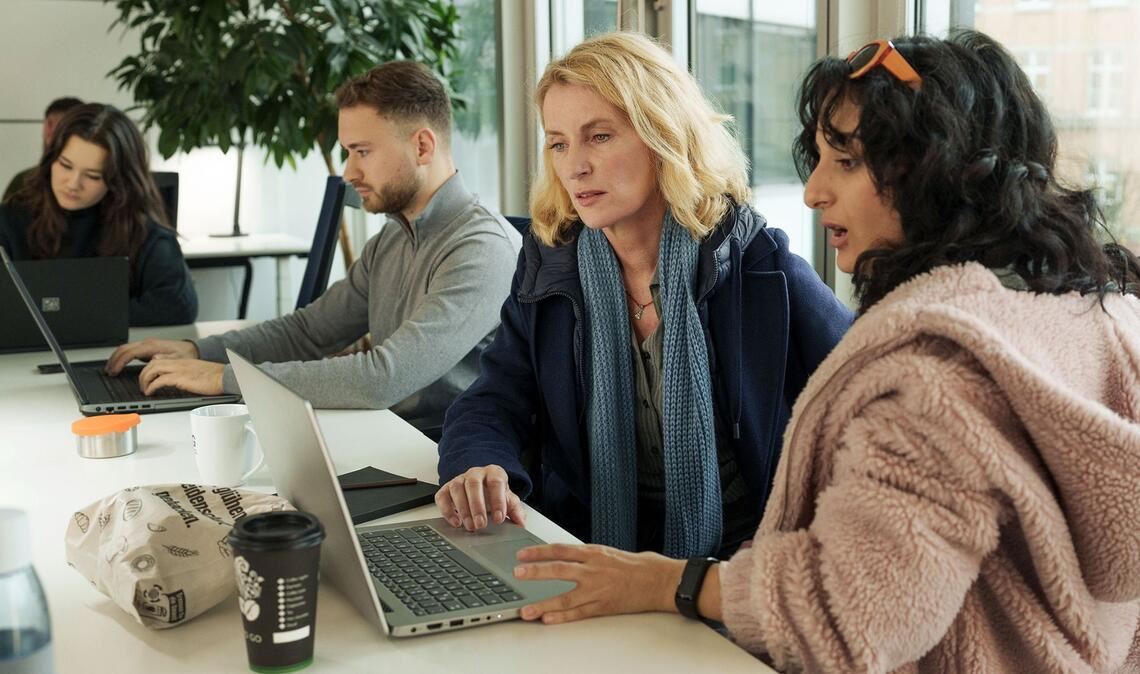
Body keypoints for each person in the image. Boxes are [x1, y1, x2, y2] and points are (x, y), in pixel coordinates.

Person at [505, 31, 1140, 673]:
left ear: (933, 168)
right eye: (558, 143)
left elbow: (850, 608)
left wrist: (661, 583)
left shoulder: (935, 371)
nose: (812, 192)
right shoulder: (1092, 311)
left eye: (846, 161)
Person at [434, 32, 852, 561]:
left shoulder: (755, 261)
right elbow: (494, 399)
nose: (574, 166)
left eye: (600, 137)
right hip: (590, 548)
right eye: (559, 143)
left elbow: (869, 398)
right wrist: (478, 463)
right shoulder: (551, 263)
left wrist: (804, 542)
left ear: (662, 135)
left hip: (733, 565)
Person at [105, 61, 522, 434]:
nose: (349, 172)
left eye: (362, 152)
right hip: (378, 434)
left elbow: (383, 378)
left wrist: (222, 378)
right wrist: (199, 352)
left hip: (440, 461)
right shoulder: (395, 236)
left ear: (423, 146)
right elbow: (308, 332)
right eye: (347, 152)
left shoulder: (481, 250)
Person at [0, 103, 197, 326]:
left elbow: (179, 305)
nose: (73, 184)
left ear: (118, 180)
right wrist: (97, 314)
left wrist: (68, 316)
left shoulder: (141, 228)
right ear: (51, 159)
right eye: (65, 165)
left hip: (113, 354)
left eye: (93, 176)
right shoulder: (12, 217)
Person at [3, 96, 84, 203]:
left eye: (62, 125)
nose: (53, 131)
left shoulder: (82, 184)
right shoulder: (23, 181)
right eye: (49, 124)